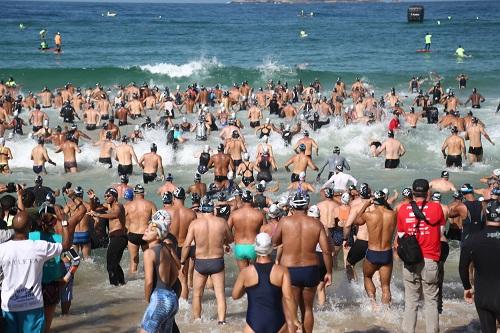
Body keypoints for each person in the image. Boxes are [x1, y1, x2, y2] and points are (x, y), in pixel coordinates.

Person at [0, 210, 76, 333]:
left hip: (9, 306)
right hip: (32, 305)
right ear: (29, 227)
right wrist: (64, 222)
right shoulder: (39, 247)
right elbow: (66, 245)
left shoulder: (2, 249)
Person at [272, 192, 332, 333]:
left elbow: (274, 242)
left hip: (289, 270)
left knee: (290, 311)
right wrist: (329, 271)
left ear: (292, 206)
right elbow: (326, 251)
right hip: (310, 269)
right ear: (307, 206)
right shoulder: (316, 224)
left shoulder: (285, 222)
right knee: (308, 309)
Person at [396, 179, 445, 333]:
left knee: (411, 302)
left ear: (412, 191)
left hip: (411, 259)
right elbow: (442, 232)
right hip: (430, 258)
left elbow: (401, 236)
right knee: (431, 301)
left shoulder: (403, 209)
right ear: (427, 192)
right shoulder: (437, 208)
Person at [232, 233, 300, 333]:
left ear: (255, 248)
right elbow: (288, 297)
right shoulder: (282, 271)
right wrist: (295, 320)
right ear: (271, 248)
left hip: (253, 325)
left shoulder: (246, 272)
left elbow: (235, 295)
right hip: (277, 323)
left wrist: (248, 288)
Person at [181, 197, 233, 324]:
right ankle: (222, 322)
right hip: (217, 261)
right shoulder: (221, 222)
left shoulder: (195, 224)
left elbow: (187, 245)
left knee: (197, 295)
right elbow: (230, 239)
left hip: (200, 262)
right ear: (213, 209)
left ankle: (198, 321)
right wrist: (224, 243)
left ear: (202, 208)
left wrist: (182, 261)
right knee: (220, 295)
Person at [459, 200, 500, 333]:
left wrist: (467, 288)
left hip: (483, 296)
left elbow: (463, 267)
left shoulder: (472, 239)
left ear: (485, 215)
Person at [354, 191, 396, 305]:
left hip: (373, 252)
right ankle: (386, 312)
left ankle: (373, 303)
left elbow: (357, 221)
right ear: (385, 200)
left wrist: (366, 205)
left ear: (374, 201)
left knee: (367, 276)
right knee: (385, 286)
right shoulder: (393, 214)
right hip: (387, 253)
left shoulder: (369, 215)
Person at [140, 210, 179, 333]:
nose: (146, 230)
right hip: (172, 298)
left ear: (158, 236)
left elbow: (149, 282)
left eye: (151, 230)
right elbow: (176, 273)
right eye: (147, 228)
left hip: (160, 298)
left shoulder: (148, 253)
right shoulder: (166, 249)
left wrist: (149, 299)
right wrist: (166, 290)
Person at [87, 188, 127, 286]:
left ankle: (114, 286)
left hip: (119, 237)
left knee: (110, 265)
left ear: (115, 196)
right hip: (115, 238)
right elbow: (93, 209)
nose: (106, 198)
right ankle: (122, 283)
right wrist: (92, 199)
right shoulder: (108, 206)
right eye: (105, 196)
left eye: (108, 196)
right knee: (115, 263)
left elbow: (114, 215)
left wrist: (98, 215)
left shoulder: (118, 206)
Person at [228, 190, 264, 270]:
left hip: (239, 246)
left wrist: (228, 242)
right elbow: (265, 231)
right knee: (254, 275)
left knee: (243, 275)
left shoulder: (234, 214)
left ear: (242, 200)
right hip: (253, 246)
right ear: (252, 200)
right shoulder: (259, 214)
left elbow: (227, 230)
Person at [125, 185, 156, 274]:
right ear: (143, 193)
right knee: (149, 260)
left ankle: (132, 282)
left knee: (134, 262)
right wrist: (152, 231)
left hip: (132, 234)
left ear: (134, 194)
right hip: (146, 234)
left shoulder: (128, 205)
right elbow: (156, 220)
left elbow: (121, 219)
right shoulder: (150, 204)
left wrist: (128, 228)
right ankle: (148, 279)